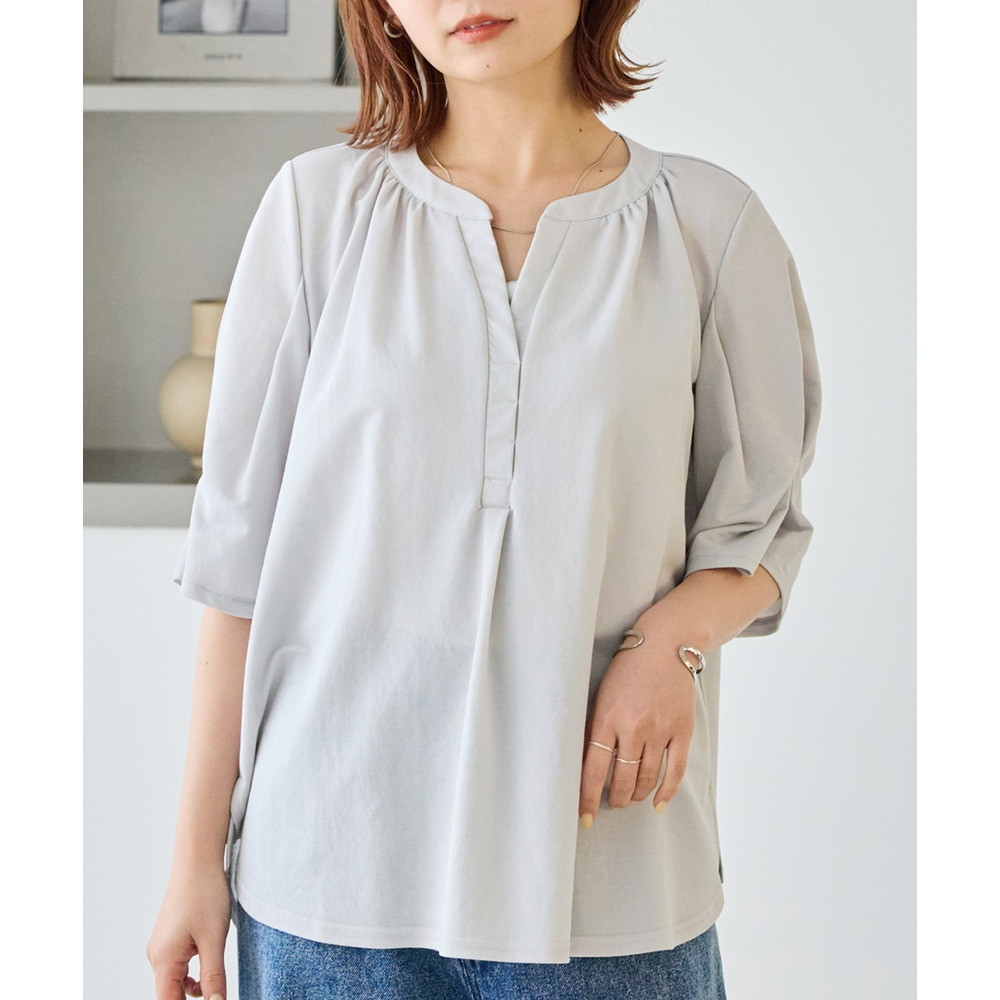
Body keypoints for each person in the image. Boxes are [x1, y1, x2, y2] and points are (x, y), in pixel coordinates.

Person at [146, 1, 821, 997]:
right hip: (330, 874)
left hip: (603, 871)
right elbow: (239, 568)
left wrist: (671, 638)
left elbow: (762, 529)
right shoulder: (315, 212)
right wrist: (193, 861)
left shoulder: (707, 226)